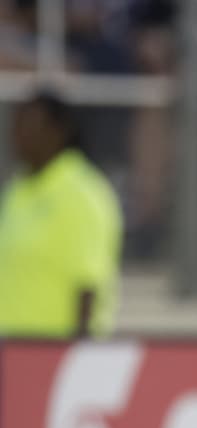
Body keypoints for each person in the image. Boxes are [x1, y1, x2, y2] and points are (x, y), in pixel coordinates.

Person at [0, 90, 123, 339]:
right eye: (17, 125)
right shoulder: (18, 190)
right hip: (12, 354)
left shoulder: (82, 193)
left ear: (59, 131)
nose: (19, 135)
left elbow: (89, 283)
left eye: (29, 125)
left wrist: (78, 356)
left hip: (54, 352)